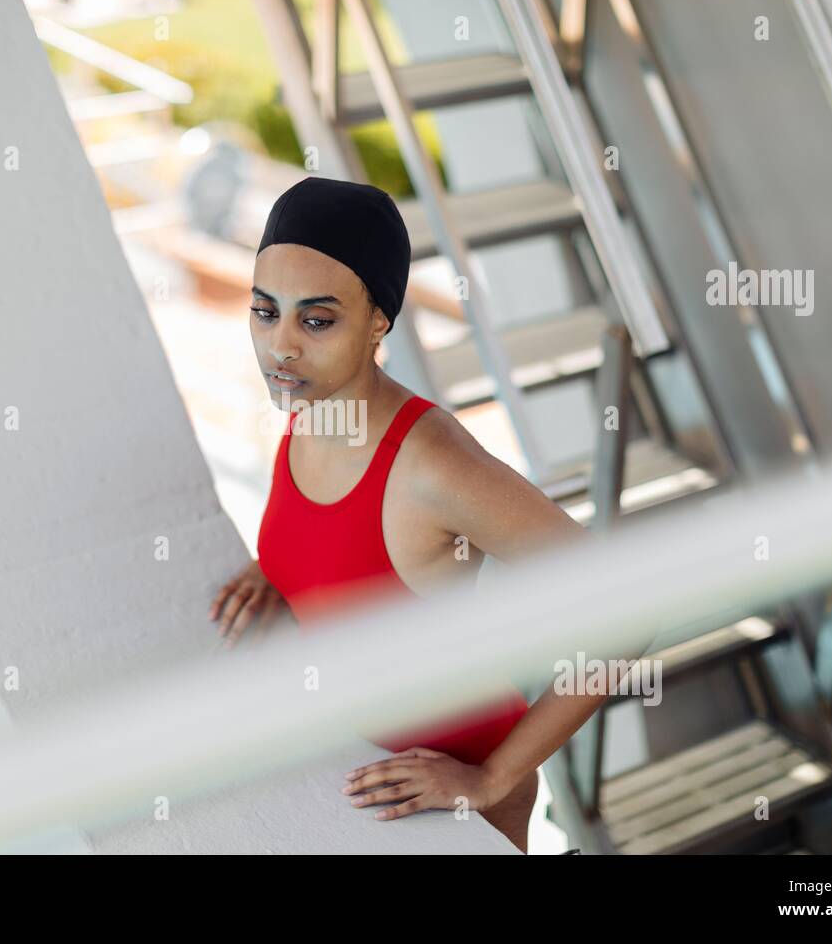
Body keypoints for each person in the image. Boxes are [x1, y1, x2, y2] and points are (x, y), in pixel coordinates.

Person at [208, 176, 601, 853]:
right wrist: (271, 564)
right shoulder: (307, 405)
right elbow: (337, 548)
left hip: (450, 794)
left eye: (318, 319)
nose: (281, 347)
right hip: (357, 771)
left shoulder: (431, 465)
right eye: (266, 311)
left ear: (379, 321)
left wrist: (489, 780)